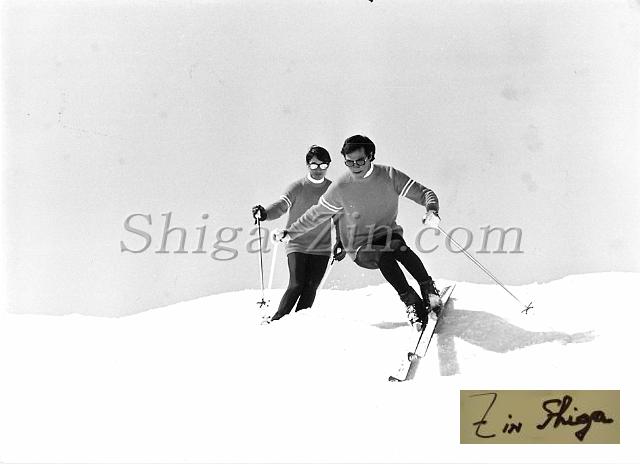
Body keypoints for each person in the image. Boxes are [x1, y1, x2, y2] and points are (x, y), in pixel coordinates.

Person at [273, 135, 442, 331]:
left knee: (398, 246)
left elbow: (424, 193)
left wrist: (432, 210)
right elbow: (315, 214)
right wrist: (290, 232)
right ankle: (411, 301)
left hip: (387, 234)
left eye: (360, 161)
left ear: (370, 156)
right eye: (349, 162)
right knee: (383, 255)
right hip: (360, 246)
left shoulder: (389, 176)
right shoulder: (341, 187)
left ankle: (428, 289)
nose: (355, 166)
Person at [252, 145, 339, 323]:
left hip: (321, 247)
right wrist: (265, 213)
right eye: (314, 165)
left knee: (311, 287)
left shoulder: (333, 190)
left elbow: (340, 218)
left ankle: (299, 323)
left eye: (323, 165)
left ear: (328, 166)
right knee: (297, 284)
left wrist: (341, 242)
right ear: (308, 165)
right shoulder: (297, 187)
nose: (318, 169)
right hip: (296, 243)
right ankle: (277, 321)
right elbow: (280, 206)